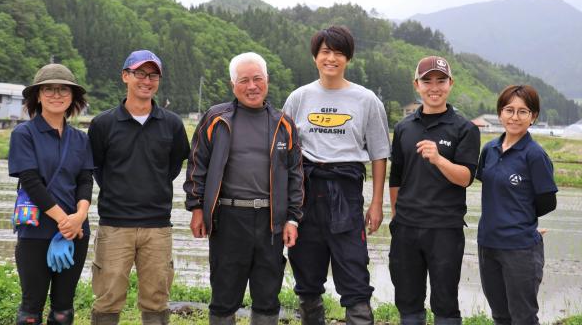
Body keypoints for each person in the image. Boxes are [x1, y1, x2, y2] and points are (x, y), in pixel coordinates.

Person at [184, 52, 304, 325]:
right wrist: (196, 209)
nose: (252, 86)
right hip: (227, 218)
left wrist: (293, 218)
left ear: (267, 81)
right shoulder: (216, 118)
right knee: (224, 295)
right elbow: (196, 165)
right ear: (233, 85)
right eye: (244, 80)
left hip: (270, 222)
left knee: (267, 296)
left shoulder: (283, 124)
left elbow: (296, 175)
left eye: (257, 79)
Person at [283, 26, 391, 324]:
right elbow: (285, 153)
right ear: (315, 57)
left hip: (346, 193)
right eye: (325, 52)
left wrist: (376, 203)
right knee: (306, 277)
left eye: (338, 53)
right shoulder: (298, 98)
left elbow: (379, 154)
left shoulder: (366, 100)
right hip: (305, 193)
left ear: (348, 59)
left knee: (354, 273)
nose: (331, 58)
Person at [88, 50, 190, 325]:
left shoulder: (171, 124)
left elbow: (173, 166)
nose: (147, 80)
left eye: (153, 75)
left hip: (157, 226)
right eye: (140, 73)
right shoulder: (103, 124)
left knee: (157, 298)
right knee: (108, 297)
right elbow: (95, 168)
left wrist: (151, 186)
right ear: (125, 76)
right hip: (114, 226)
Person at [388, 56, 481, 325]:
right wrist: (396, 216)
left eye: (440, 81)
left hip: (444, 228)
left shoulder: (464, 129)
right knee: (408, 300)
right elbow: (396, 176)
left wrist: (439, 158)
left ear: (450, 84)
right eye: (427, 81)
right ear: (416, 85)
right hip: (406, 227)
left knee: (445, 302)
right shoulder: (404, 127)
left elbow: (466, 178)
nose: (434, 87)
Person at [8, 64, 93, 325]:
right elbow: (31, 182)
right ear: (37, 95)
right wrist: (64, 221)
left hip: (76, 232)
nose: (56, 95)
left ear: (73, 97)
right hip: (36, 231)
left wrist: (79, 216)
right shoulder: (24, 134)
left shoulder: (80, 138)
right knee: (31, 310)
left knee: (63, 310)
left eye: (63, 89)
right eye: (48, 89)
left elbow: (85, 180)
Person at [476, 85, 557, 325]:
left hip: (519, 249)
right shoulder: (489, 150)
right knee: (500, 316)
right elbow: (493, 191)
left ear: (533, 117)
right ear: (500, 113)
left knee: (523, 317)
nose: (514, 116)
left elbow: (547, 202)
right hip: (487, 243)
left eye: (523, 111)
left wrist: (522, 222)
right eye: (509, 109)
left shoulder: (535, 155)